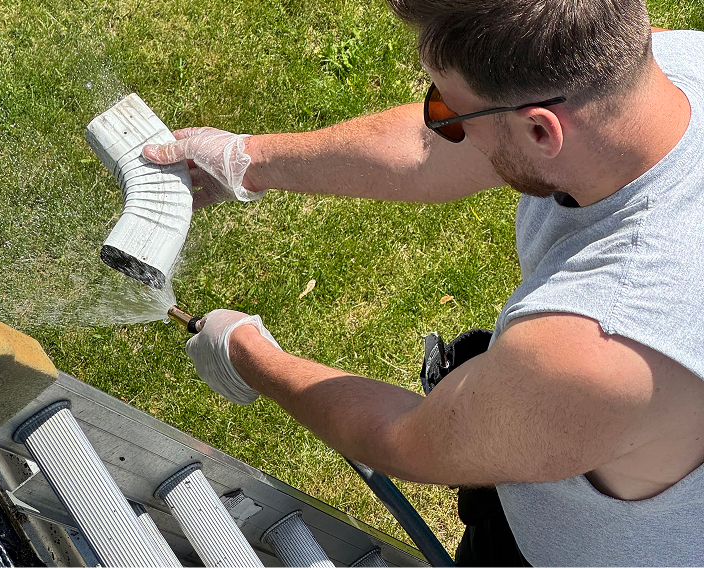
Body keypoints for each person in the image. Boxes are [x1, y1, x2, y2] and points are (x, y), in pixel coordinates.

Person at [143, 0, 704, 564]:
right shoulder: (664, 67)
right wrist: (249, 159)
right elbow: (429, 150)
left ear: (540, 128)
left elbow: (407, 439)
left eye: (451, 112)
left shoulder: (600, 342)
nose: (442, 126)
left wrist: (247, 354)